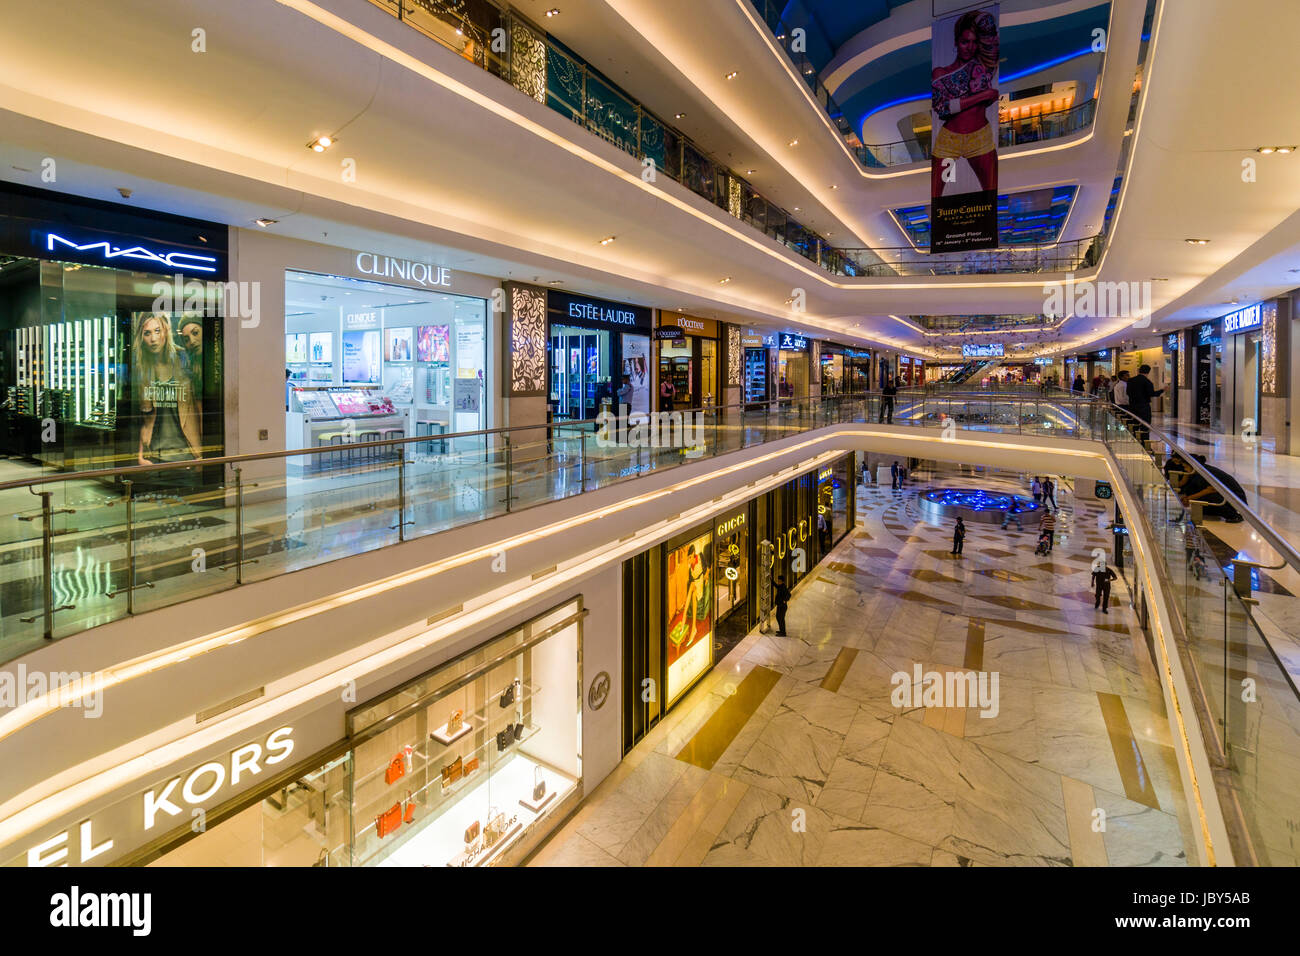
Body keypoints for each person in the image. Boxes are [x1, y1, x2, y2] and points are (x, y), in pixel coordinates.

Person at [930, 10, 999, 198]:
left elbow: (989, 26)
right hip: (948, 142)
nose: (970, 47)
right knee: (939, 199)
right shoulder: (940, 72)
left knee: (990, 197)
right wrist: (983, 95)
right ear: (955, 42)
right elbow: (942, 108)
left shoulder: (984, 66)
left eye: (974, 42)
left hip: (980, 139)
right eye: (964, 41)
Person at [134, 313, 202, 466]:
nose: (153, 339)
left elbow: (198, 407)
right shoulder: (143, 370)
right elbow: (143, 419)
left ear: (165, 331)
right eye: (147, 333)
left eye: (157, 331)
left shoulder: (183, 358)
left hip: (188, 455)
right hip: (154, 456)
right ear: (141, 338)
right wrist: (140, 456)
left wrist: (202, 451)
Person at [1181, 453, 1247, 522]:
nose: (1185, 469)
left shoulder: (1206, 473)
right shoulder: (1201, 470)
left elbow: (1210, 490)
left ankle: (1234, 515)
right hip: (1229, 497)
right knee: (1197, 498)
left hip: (1237, 500)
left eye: (1185, 467)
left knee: (1209, 497)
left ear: (1192, 466)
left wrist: (1189, 498)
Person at [1127, 364, 1165, 445]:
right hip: (1144, 407)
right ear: (1148, 372)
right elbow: (1152, 394)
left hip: (1132, 406)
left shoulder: (1130, 380)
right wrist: (1162, 390)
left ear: (1139, 370)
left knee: (1134, 425)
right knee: (1145, 426)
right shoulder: (1147, 382)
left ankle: (1134, 442)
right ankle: (1145, 444)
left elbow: (1128, 393)